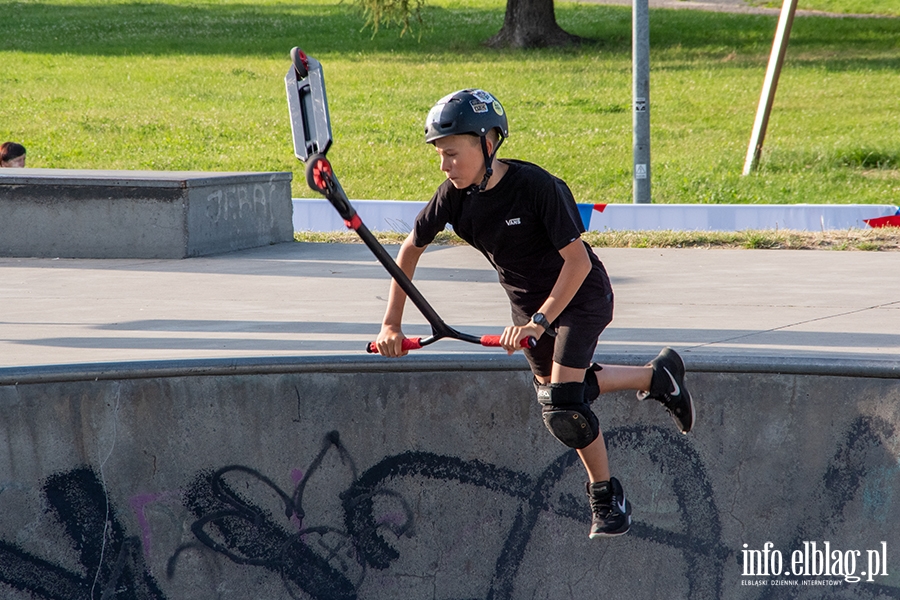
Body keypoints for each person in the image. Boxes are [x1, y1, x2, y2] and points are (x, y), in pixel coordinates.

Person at [374, 89, 694, 539]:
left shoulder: (538, 188)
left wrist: (538, 323)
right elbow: (408, 251)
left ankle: (606, 498)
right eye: (439, 156)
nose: (444, 166)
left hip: (580, 295)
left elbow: (578, 262)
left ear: (488, 143)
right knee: (561, 400)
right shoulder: (453, 196)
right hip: (528, 308)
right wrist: (392, 324)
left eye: (451, 154)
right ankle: (657, 377)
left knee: (565, 403)